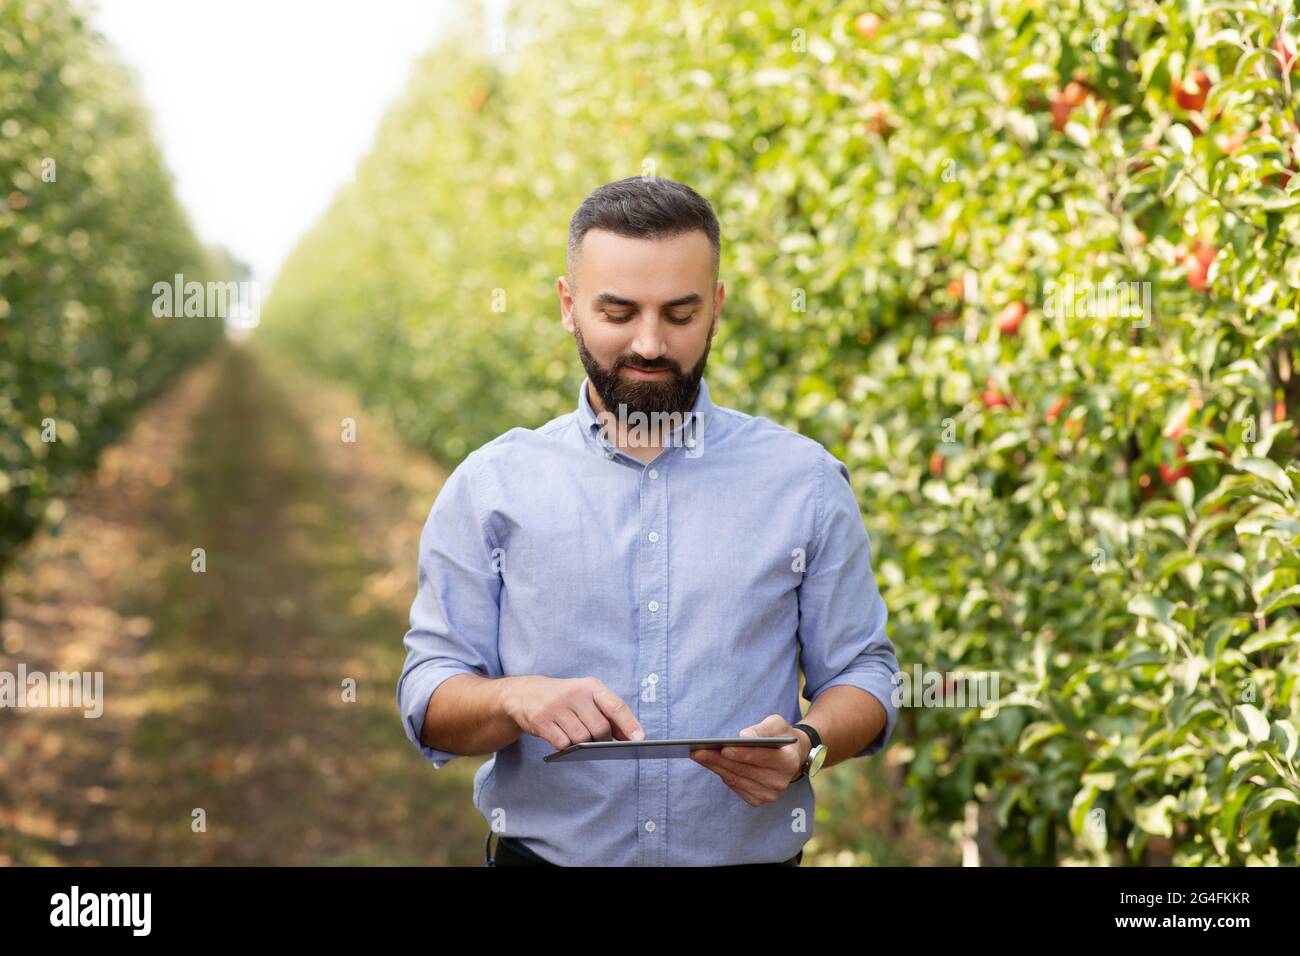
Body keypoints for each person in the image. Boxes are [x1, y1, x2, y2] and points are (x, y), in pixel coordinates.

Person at [396, 176, 899, 867]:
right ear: (569, 307)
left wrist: (808, 743)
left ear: (717, 308)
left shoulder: (803, 483)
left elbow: (865, 672)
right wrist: (517, 699)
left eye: (680, 314)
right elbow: (429, 697)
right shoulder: (493, 488)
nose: (651, 343)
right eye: (619, 312)